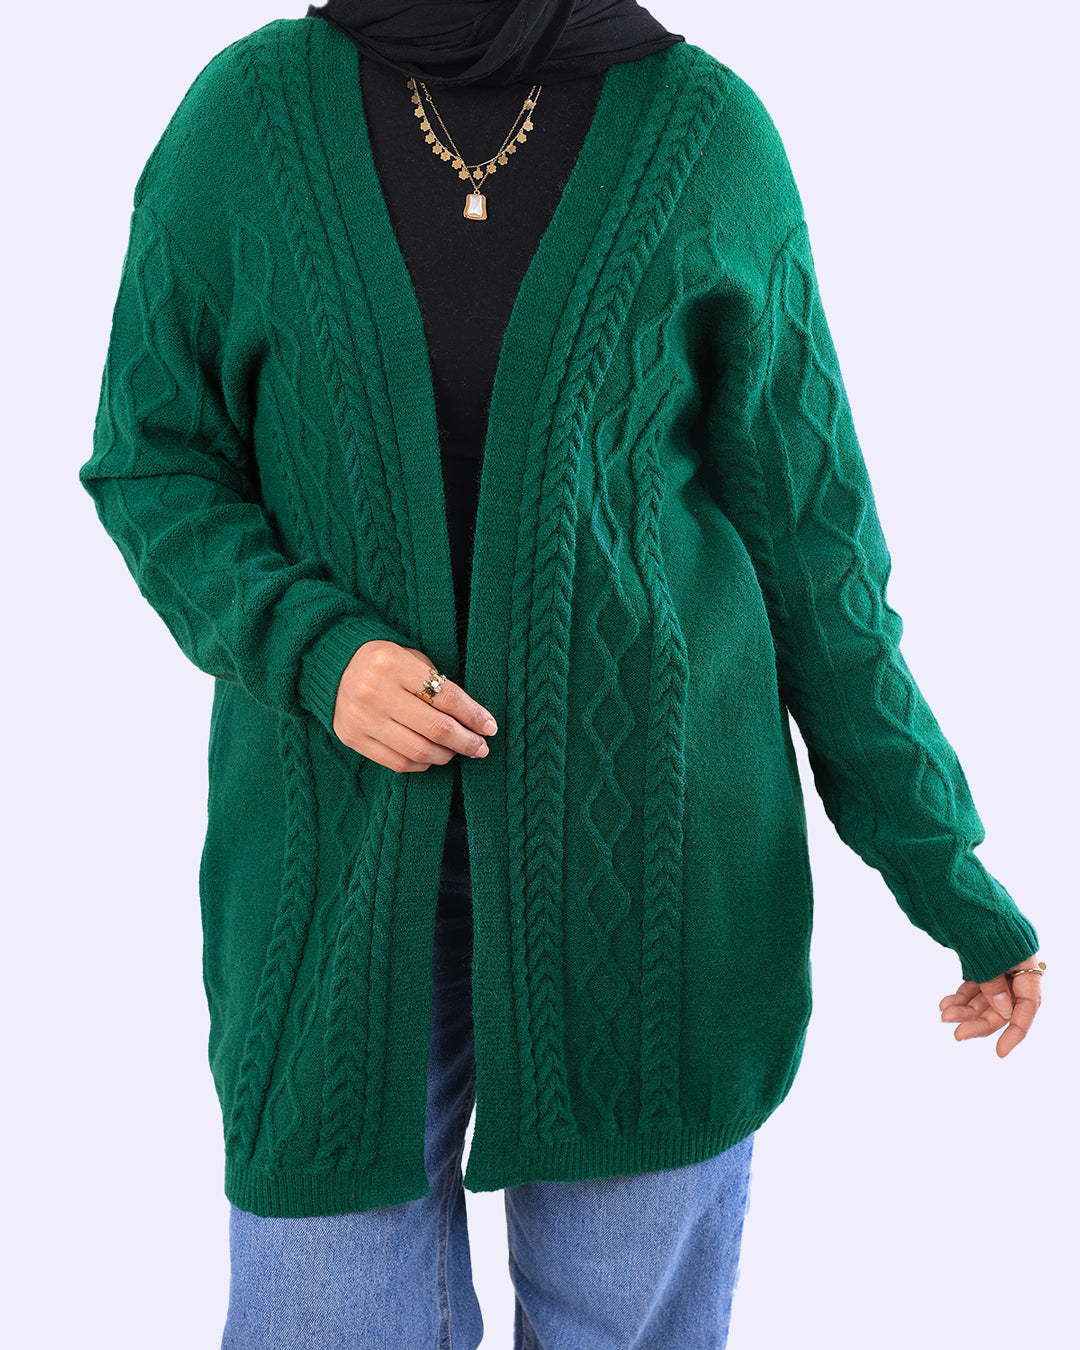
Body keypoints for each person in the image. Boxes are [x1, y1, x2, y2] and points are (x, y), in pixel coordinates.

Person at [79, 2, 1045, 1346]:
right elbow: (153, 459)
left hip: (658, 893)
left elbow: (817, 561)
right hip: (334, 887)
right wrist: (316, 650)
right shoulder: (246, 120)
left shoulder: (707, 136)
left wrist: (946, 870)